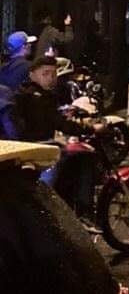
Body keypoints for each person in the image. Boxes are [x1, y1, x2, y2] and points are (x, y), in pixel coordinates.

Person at [14, 56, 102, 222]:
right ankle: (85, 214)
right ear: (32, 75)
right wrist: (88, 128)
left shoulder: (25, 92)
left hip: (30, 147)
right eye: (45, 74)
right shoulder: (37, 97)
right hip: (39, 148)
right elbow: (57, 122)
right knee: (86, 156)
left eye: (54, 74)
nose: (50, 78)